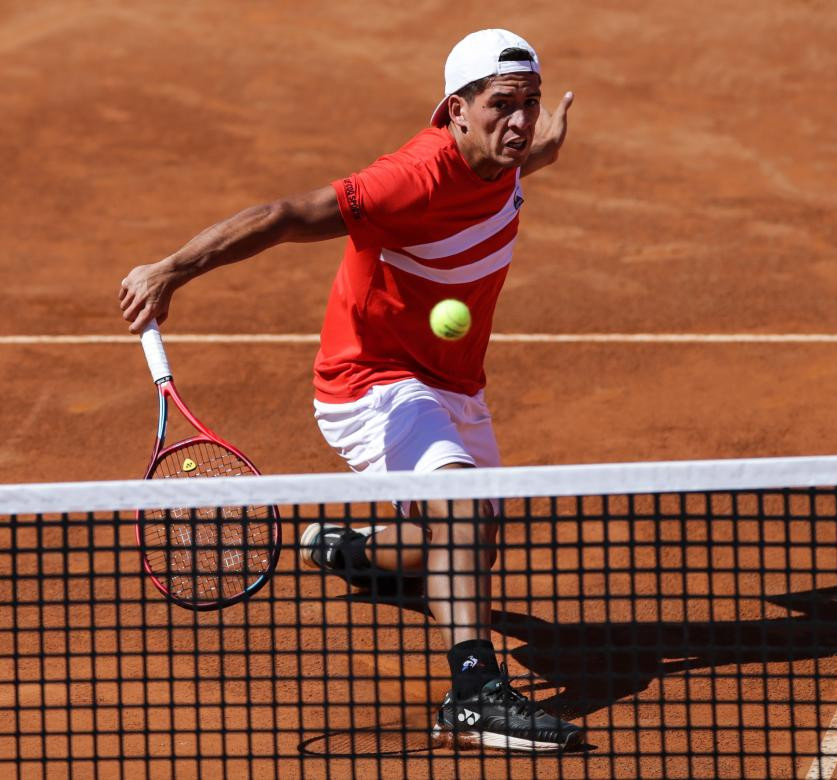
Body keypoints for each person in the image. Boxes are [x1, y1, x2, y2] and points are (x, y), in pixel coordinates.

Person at [118, 29, 582, 753]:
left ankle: (357, 555)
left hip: (452, 383)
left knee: (473, 540)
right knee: (459, 509)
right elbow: (284, 216)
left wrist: (547, 142)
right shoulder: (412, 178)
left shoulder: (507, 154)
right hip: (371, 383)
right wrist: (170, 269)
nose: (520, 121)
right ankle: (474, 695)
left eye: (531, 103)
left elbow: (530, 156)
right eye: (503, 106)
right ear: (456, 110)